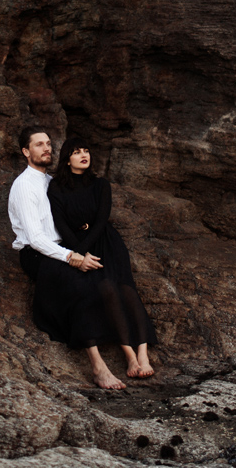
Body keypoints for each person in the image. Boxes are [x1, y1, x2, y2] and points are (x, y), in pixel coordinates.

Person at [8, 125, 128, 389]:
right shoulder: (24, 185)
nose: (46, 148)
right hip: (38, 254)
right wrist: (73, 257)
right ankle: (98, 367)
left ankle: (131, 352)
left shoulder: (51, 182)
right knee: (79, 286)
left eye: (49, 143)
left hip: (62, 247)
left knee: (105, 280)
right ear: (26, 152)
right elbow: (37, 239)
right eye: (39, 144)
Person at [48, 136, 156, 380]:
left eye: (86, 150)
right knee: (106, 289)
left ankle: (143, 353)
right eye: (77, 152)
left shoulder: (100, 184)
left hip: (107, 244)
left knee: (127, 289)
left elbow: (100, 221)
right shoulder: (56, 188)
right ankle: (129, 356)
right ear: (67, 159)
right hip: (77, 246)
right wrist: (79, 252)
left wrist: (85, 245)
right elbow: (61, 223)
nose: (84, 155)